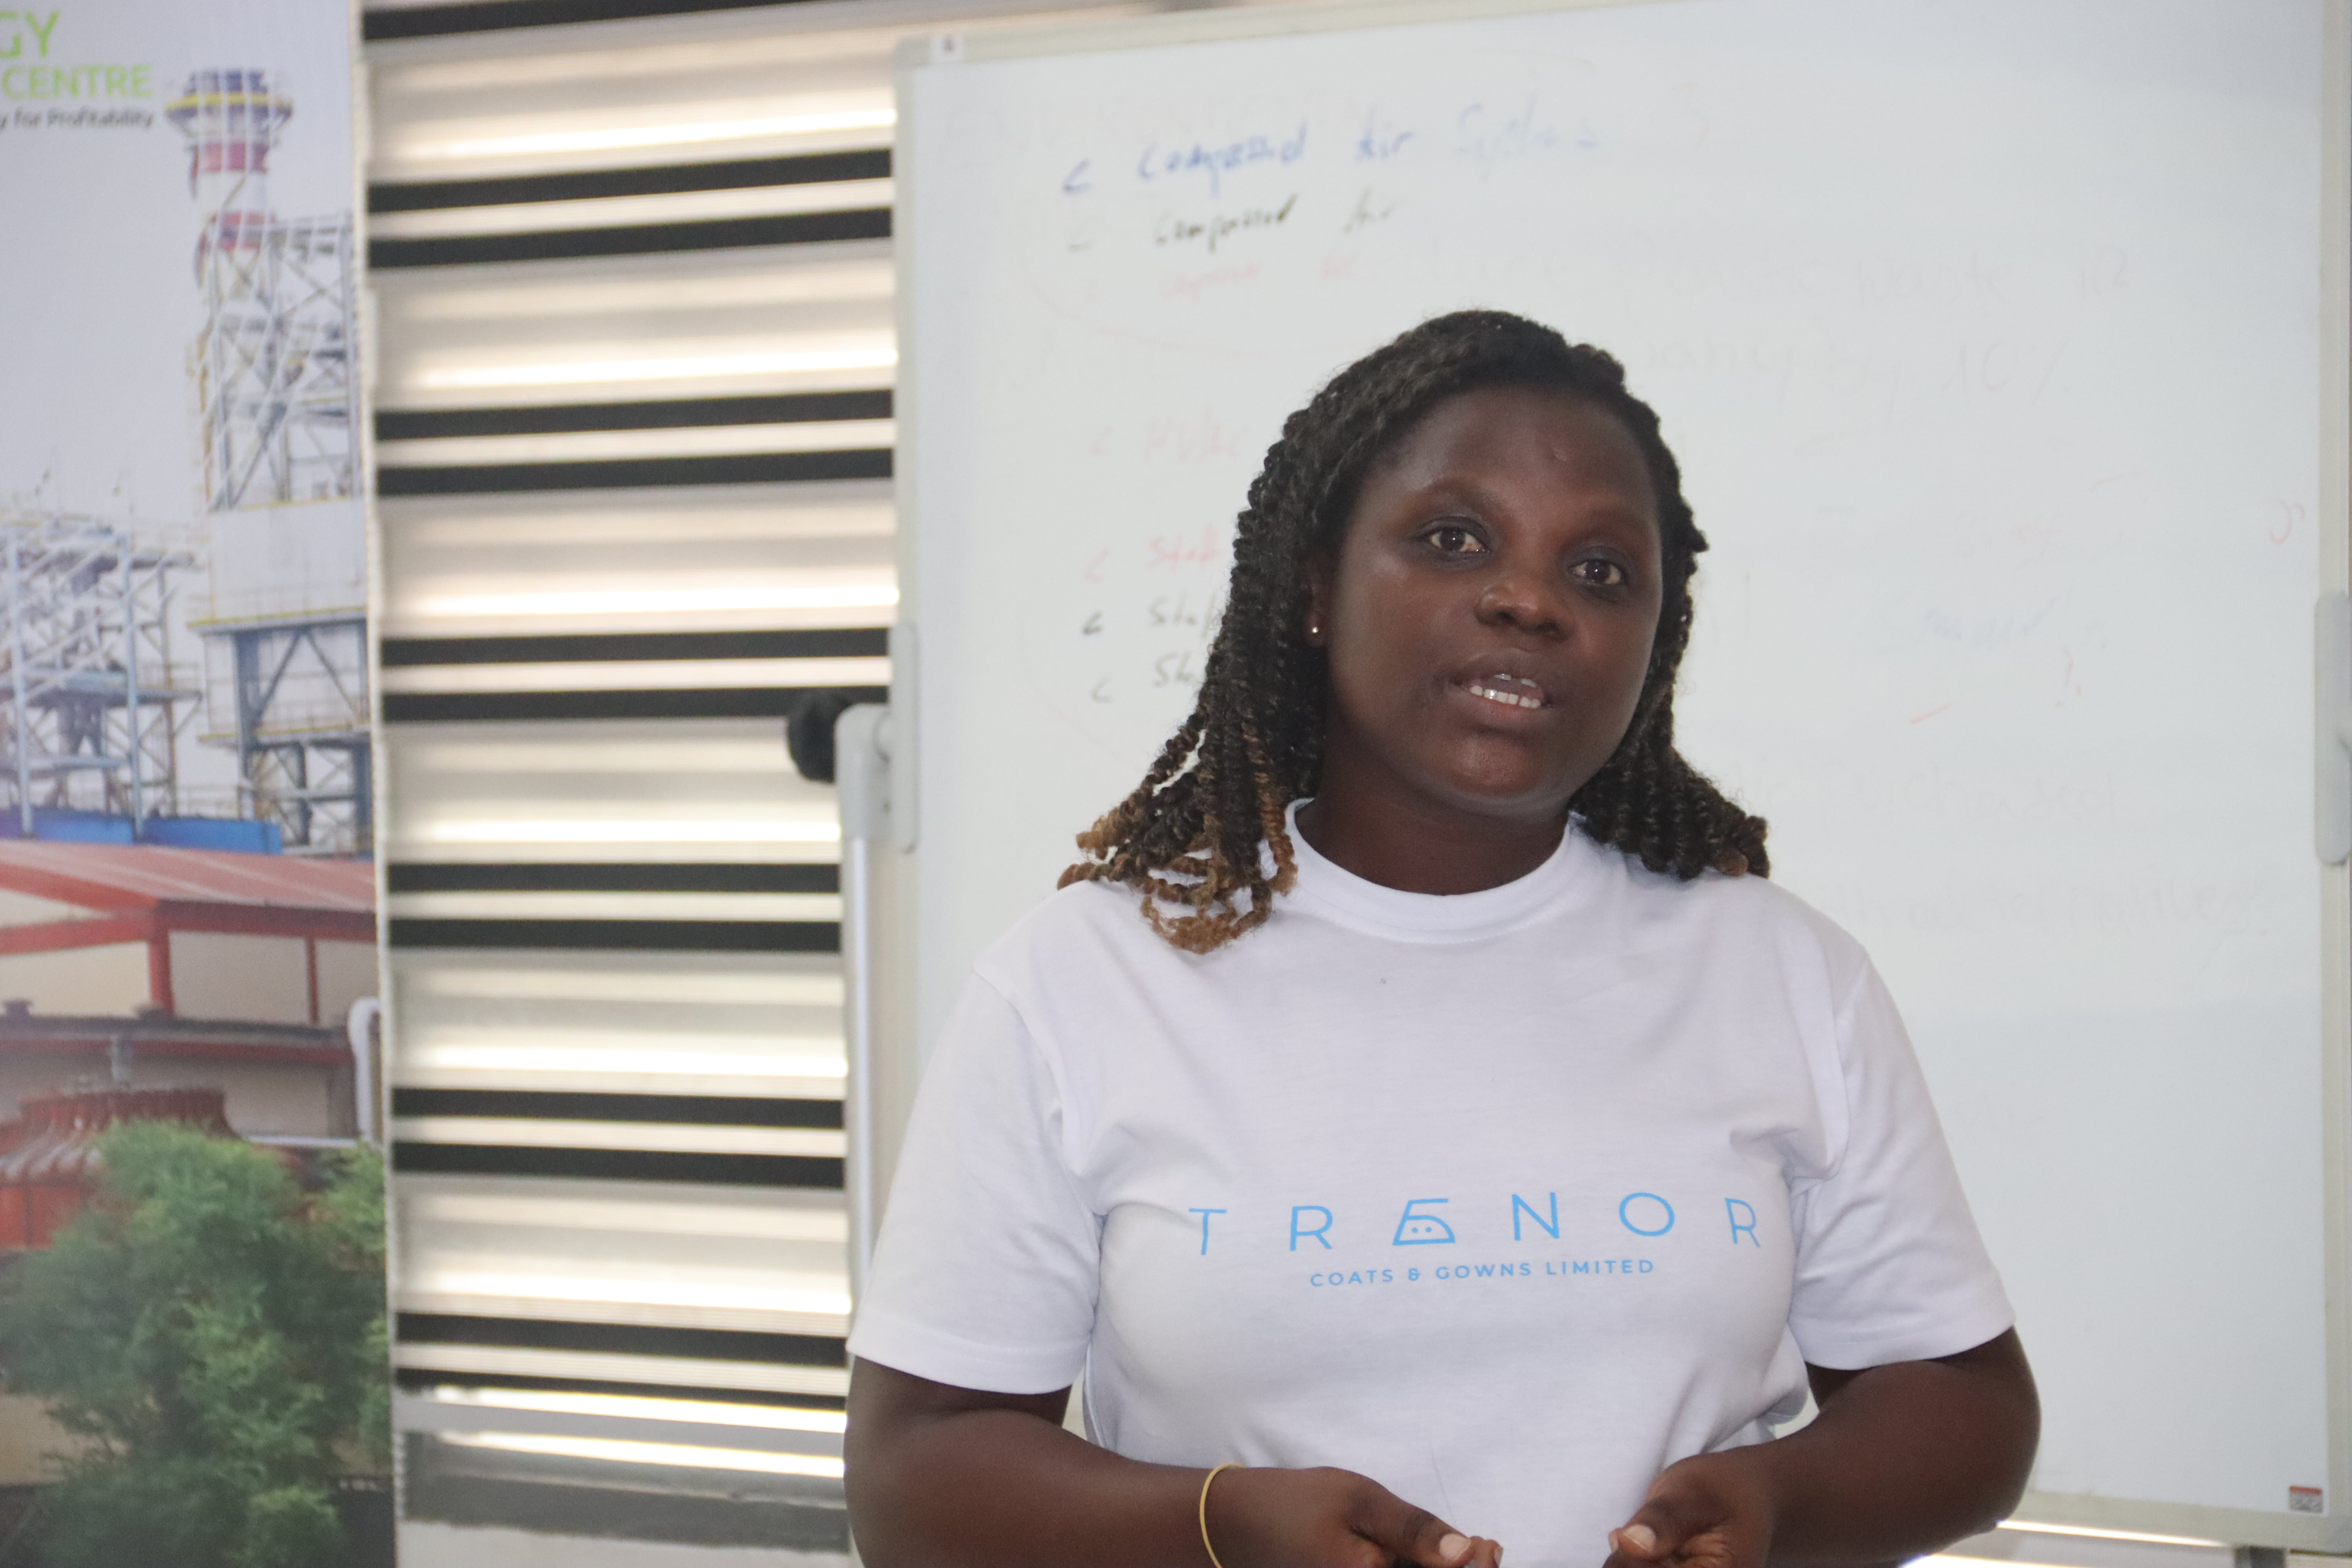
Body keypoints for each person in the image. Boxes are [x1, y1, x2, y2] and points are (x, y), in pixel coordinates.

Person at [842, 310, 2039, 1568]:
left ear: (1655, 643)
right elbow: (915, 1478)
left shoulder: (1782, 973)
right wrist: (1222, 1527)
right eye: (1454, 539)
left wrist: (1781, 1504)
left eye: (1601, 572)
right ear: (1316, 589)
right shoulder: (1085, 981)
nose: (1529, 600)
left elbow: (1966, 1409)